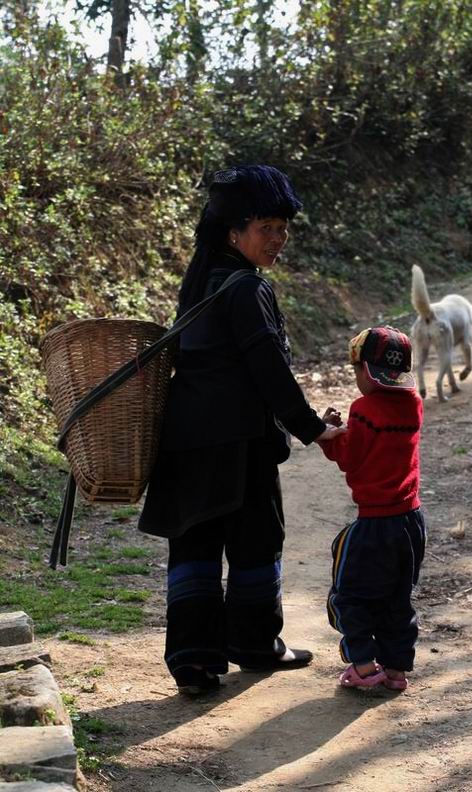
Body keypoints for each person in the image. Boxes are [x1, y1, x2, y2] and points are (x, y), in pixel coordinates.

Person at [138, 164, 345, 695]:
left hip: (186, 440)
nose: (277, 240)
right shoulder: (246, 288)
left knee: (196, 544)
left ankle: (193, 661)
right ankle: (255, 644)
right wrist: (312, 429)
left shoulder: (201, 285)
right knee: (256, 540)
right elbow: (266, 367)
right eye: (265, 229)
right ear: (234, 233)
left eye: (282, 228)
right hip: (238, 442)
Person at [318, 326, 427, 691]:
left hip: (374, 525)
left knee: (350, 594)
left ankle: (363, 668)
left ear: (365, 371)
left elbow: (350, 457)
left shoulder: (362, 410)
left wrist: (326, 434)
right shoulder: (414, 403)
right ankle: (396, 670)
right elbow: (385, 444)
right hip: (411, 521)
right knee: (397, 597)